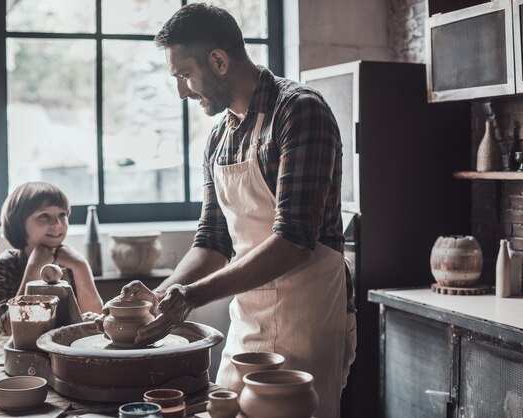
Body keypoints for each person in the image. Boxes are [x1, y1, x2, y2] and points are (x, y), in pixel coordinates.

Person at [108, 4, 357, 417]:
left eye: (184, 75)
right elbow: (212, 241)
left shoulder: (298, 111)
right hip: (248, 318)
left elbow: (294, 239)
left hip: (307, 317)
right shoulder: (219, 138)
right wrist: (161, 296)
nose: (182, 91)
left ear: (219, 61)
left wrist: (192, 297)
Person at [0, 181, 103, 339]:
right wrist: (34, 268)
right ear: (19, 223)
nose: (57, 224)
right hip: (18, 354)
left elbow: (94, 319)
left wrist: (81, 267)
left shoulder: (73, 263)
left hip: (65, 351)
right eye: (44, 216)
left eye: (62, 215)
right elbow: (10, 329)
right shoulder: (3, 266)